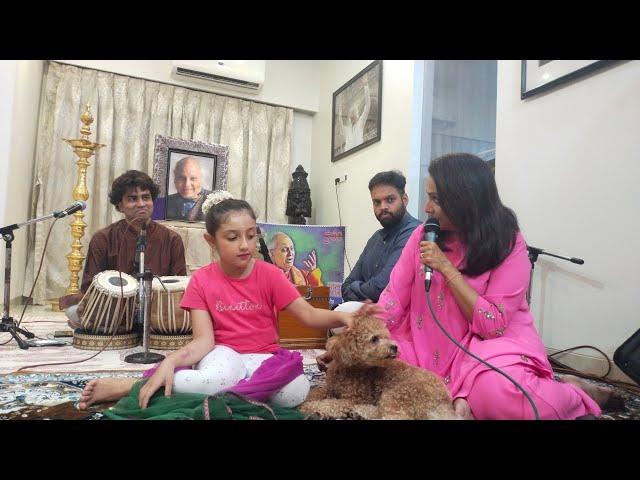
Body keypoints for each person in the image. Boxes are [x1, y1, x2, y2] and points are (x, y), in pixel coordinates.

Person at [327, 153, 618, 420]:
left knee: (504, 398)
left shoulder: (507, 241)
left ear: (466, 200)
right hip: (421, 340)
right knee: (369, 365)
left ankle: (576, 393)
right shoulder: (423, 235)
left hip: (488, 344)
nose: (427, 208)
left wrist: (445, 267)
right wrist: (356, 339)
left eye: (436, 199)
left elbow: (491, 324)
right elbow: (393, 299)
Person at [77, 195, 369, 411]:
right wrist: (171, 360)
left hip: (263, 358)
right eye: (232, 237)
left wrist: (342, 319)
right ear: (211, 241)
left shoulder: (270, 274)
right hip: (221, 355)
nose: (245, 245)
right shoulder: (202, 280)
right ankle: (130, 386)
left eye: (251, 236)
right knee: (214, 379)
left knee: (295, 392)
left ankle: (230, 390)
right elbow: (203, 342)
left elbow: (307, 315)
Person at [59, 170, 187, 328]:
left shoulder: (172, 239)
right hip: (115, 309)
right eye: (133, 199)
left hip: (157, 310)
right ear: (120, 205)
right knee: (72, 310)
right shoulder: (103, 238)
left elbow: (181, 286)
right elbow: (89, 287)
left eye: (146, 197)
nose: (141, 204)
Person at [341, 170, 420, 303]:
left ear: (404, 199)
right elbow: (345, 286)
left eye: (390, 200)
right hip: (366, 318)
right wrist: (362, 294)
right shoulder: (375, 238)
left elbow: (383, 287)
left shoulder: (415, 232)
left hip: (398, 322)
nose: (383, 207)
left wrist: (356, 288)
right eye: (377, 202)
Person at [166, 156, 212, 221]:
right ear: (175, 180)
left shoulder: (215, 202)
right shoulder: (165, 202)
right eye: (182, 178)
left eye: (193, 178)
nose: (187, 184)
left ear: (201, 180)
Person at [337, 75, 371, 152]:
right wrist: (339, 112)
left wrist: (366, 86)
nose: (351, 116)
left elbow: (367, 105)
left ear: (357, 114)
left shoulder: (360, 123)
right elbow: (340, 124)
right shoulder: (348, 130)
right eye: (351, 114)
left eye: (353, 113)